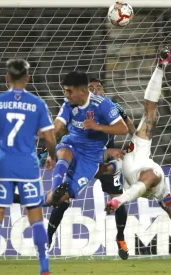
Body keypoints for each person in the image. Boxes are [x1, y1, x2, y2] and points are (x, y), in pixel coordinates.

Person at [105, 46, 171, 255]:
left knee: (147, 174)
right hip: (139, 153)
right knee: (151, 115)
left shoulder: (155, 185)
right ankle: (161, 66)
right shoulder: (162, 188)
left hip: (130, 175)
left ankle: (119, 200)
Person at [0, 59, 56, 275]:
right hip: (28, 167)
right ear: (28, 78)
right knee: (35, 216)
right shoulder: (38, 104)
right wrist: (51, 157)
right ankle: (44, 268)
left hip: (2, 166)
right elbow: (50, 138)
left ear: (7, 78)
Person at [45, 71, 128, 249]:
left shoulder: (105, 105)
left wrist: (97, 127)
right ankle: (48, 232)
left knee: (117, 198)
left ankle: (120, 236)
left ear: (82, 91)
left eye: (69, 91)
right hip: (73, 145)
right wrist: (49, 146)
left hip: (93, 158)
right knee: (64, 151)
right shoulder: (68, 104)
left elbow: (124, 129)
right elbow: (58, 127)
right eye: (65, 91)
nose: (65, 95)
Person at [87, 77, 135, 260]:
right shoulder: (78, 109)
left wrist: (135, 147)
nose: (96, 90)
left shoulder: (113, 107)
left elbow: (130, 127)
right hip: (85, 160)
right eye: (91, 88)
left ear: (104, 91)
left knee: (118, 198)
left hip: (107, 162)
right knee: (64, 194)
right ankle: (48, 238)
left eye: (99, 87)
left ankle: (121, 237)